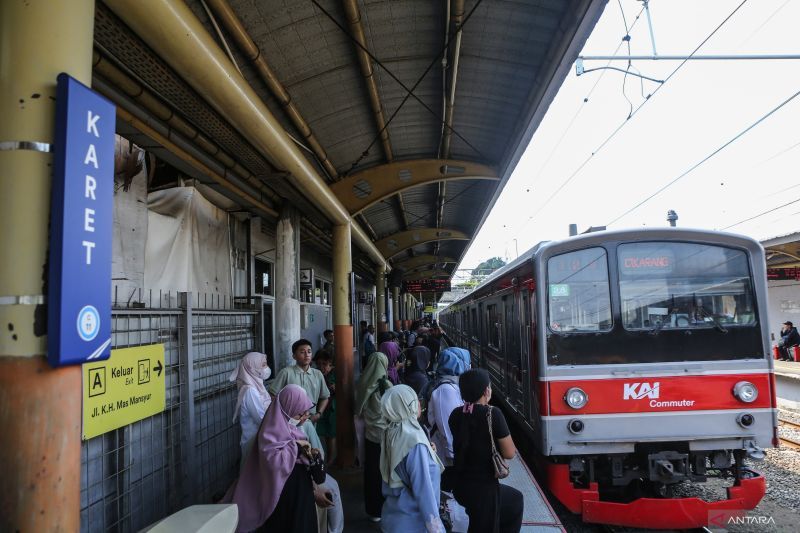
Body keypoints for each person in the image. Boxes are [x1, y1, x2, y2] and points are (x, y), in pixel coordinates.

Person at [224, 384, 319, 532]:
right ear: (287, 410)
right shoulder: (269, 432)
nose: (303, 417)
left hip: (299, 496)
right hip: (280, 498)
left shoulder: (295, 430)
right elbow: (274, 462)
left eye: (305, 413)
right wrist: (297, 447)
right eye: (299, 414)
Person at [449, 369, 523, 533]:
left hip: (460, 486)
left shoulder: (455, 414)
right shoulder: (493, 414)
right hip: (484, 491)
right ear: (486, 390)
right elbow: (510, 453)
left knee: (514, 500)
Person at [380, 385, 445, 533]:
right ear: (407, 406)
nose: (419, 404)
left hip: (392, 516)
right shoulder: (414, 441)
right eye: (415, 401)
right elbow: (424, 491)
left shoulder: (390, 430)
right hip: (412, 523)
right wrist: (437, 529)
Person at [355, 351, 393, 521]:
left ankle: (373, 509)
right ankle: (385, 506)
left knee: (371, 472)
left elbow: (359, 408)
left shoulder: (362, 382)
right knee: (385, 472)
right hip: (385, 436)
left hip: (369, 434)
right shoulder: (385, 385)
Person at [425, 347, 470, 490]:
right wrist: (456, 456)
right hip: (447, 459)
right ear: (458, 364)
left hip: (449, 455)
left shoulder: (449, 385)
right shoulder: (446, 390)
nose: (468, 366)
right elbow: (447, 427)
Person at [229, 351, 271, 460]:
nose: (266, 368)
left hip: (261, 439)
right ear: (252, 368)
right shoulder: (250, 391)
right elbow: (261, 418)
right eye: (263, 365)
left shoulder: (257, 386)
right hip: (254, 441)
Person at [314, 350, 337, 465]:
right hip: (321, 407)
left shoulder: (335, 374)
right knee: (324, 433)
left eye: (324, 364)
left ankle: (331, 459)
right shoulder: (316, 374)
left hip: (333, 408)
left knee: (331, 434)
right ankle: (327, 457)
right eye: (319, 364)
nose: (321, 367)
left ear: (331, 364)